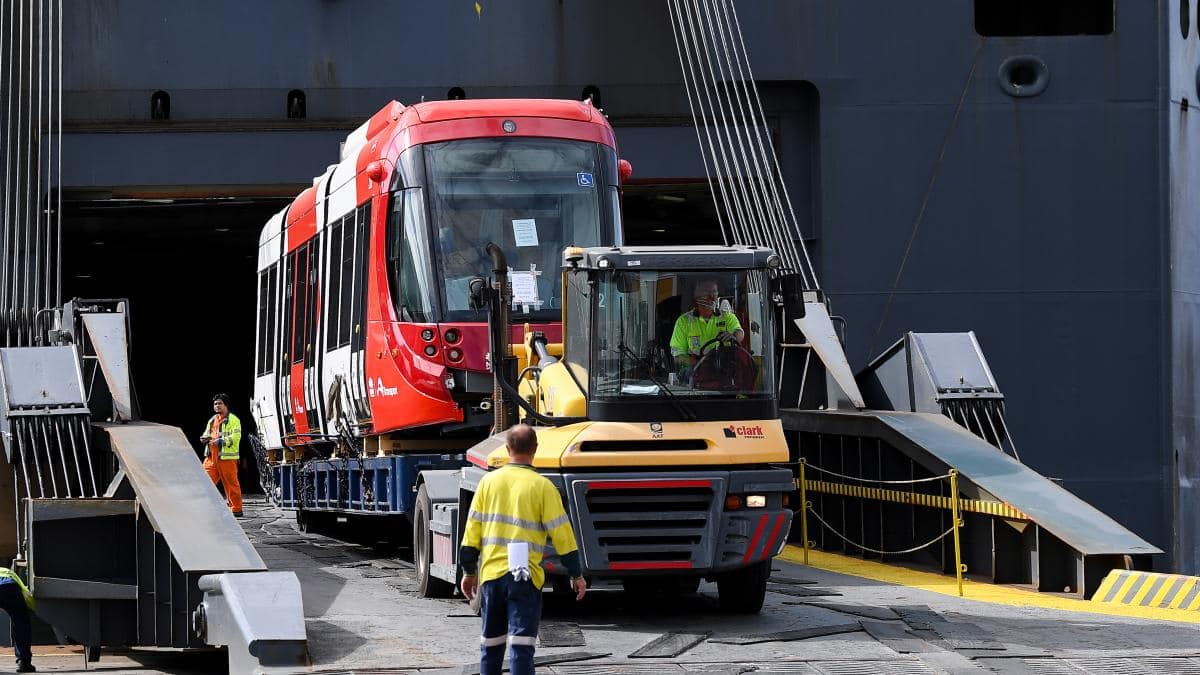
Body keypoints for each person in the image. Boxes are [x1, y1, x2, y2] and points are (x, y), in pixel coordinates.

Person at [459, 424, 586, 675]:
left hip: (493, 577)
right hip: (525, 579)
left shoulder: (488, 483)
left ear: (507, 449)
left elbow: (471, 531)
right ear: (535, 450)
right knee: (522, 645)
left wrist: (468, 571)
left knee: (491, 645)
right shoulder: (543, 487)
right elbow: (563, 535)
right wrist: (576, 574)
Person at [669, 278, 745, 378]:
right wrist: (702, 365)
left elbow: (739, 332)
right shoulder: (683, 321)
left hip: (724, 371)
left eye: (714, 292)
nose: (712, 297)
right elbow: (678, 355)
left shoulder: (727, 317)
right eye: (706, 292)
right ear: (696, 296)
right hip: (695, 372)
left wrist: (733, 336)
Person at [201, 393, 243, 517]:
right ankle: (205, 508)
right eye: (215, 404)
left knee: (231, 485)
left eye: (219, 403)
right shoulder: (212, 420)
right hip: (211, 458)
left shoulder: (233, 420)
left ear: (226, 405)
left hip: (227, 458)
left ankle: (236, 509)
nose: (217, 406)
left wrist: (220, 441)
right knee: (204, 482)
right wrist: (204, 438)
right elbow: (206, 433)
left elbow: (236, 437)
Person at [0, 566, 35, 672]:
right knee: (21, 623)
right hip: (9, 587)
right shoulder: (11, 574)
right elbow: (29, 599)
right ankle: (23, 662)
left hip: (8, 585)